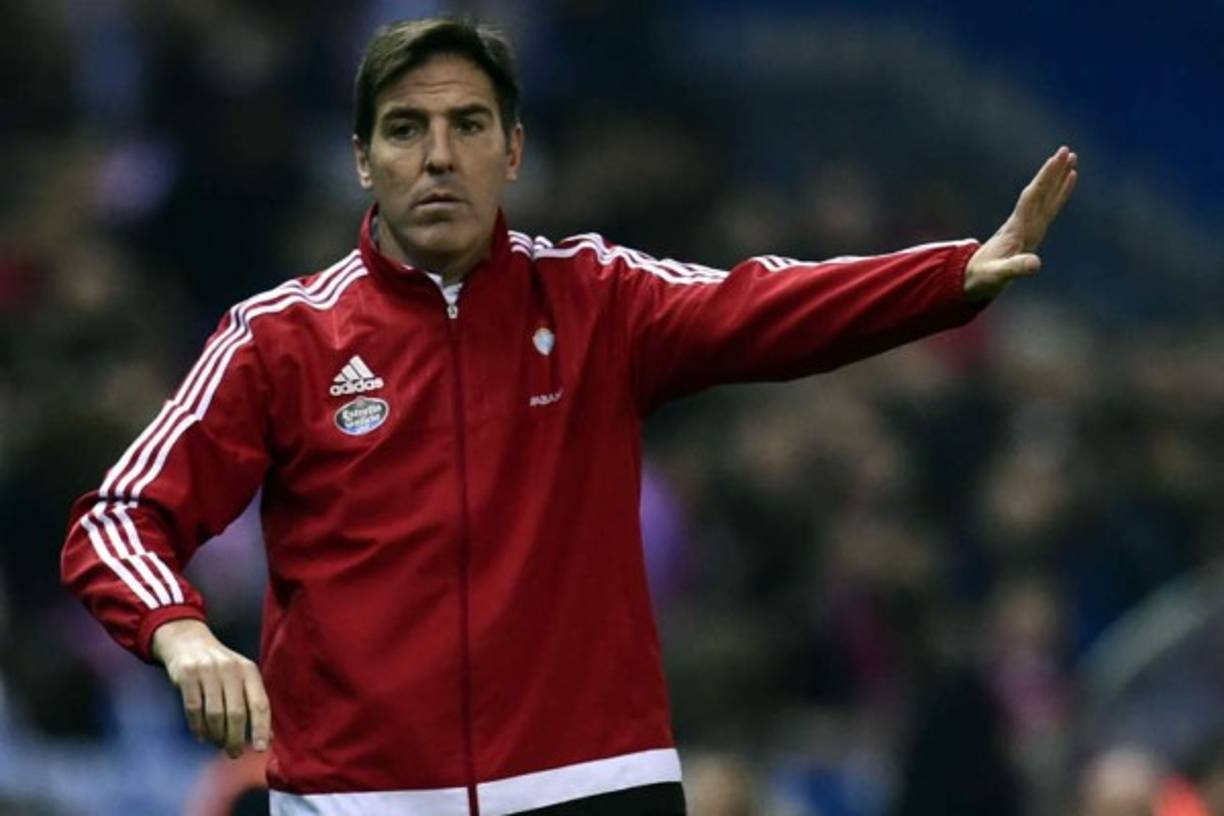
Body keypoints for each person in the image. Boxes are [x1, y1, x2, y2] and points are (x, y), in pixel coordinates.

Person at [59, 16, 1078, 816]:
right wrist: (181, 632)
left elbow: (760, 306)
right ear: (364, 161)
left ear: (514, 150)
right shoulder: (279, 339)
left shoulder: (598, 296)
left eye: (468, 126)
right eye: (406, 130)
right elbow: (116, 518)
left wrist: (951, 278)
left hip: (592, 791)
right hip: (356, 801)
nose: (439, 156)